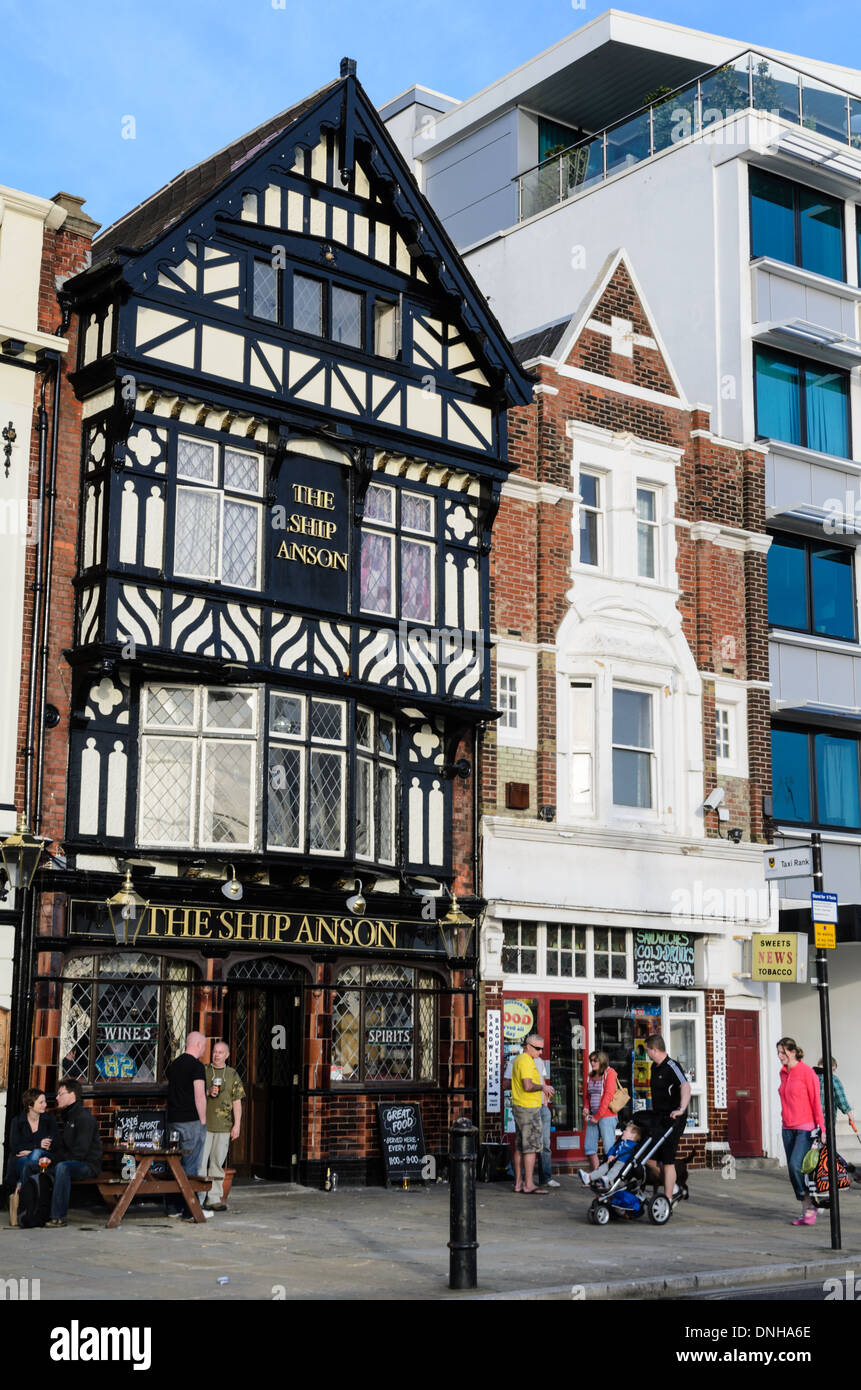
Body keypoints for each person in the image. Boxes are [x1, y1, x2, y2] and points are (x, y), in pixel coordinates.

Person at [41, 1079, 102, 1228]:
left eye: (60, 1094)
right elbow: (64, 1148)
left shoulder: (84, 1118)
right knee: (34, 1161)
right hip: (72, 1161)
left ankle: (59, 1217)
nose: (56, 1098)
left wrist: (56, 1162)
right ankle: (30, 1211)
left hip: (87, 1165)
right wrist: (50, 1159)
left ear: (72, 1095)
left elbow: (80, 1152)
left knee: (62, 1167)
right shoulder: (69, 1116)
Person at [777, 1036, 825, 1226]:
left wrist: (821, 1128)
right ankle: (807, 1208)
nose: (780, 1057)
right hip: (787, 1128)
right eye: (779, 1053)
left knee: (795, 1166)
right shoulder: (783, 1073)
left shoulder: (806, 1072)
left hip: (805, 1128)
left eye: (783, 1052)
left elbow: (816, 1101)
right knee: (794, 1171)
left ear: (793, 1052)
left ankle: (811, 1204)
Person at [165, 1031, 212, 1221]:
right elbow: (199, 1095)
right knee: (191, 1167)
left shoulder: (174, 1065)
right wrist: (203, 1121)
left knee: (175, 1165)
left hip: (173, 1120)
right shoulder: (197, 1067)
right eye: (204, 1047)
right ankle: (190, 1210)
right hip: (191, 1122)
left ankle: (173, 1207)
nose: (204, 1050)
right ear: (199, 1045)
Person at [644, 1034, 690, 1204]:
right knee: (648, 1157)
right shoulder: (654, 1068)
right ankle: (674, 1186)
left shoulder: (672, 1066)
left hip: (674, 1119)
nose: (647, 1053)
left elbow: (685, 1086)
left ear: (654, 1050)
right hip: (659, 1117)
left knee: (668, 1160)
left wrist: (681, 1109)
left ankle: (669, 1198)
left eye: (647, 1050)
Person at [200, 1040, 245, 1211]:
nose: (216, 1055)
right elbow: (194, 1094)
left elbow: (237, 1102)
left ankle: (213, 1198)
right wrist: (207, 1092)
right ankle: (198, 1197)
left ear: (227, 1055)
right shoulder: (204, 1071)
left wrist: (237, 1125)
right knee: (200, 1163)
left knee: (217, 1163)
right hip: (204, 1124)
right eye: (214, 1052)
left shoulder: (232, 1074)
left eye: (220, 1052)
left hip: (224, 1125)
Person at [5, 1089, 58, 1225]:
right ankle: (32, 1203)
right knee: (29, 1158)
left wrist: (32, 1150)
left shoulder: (49, 1120)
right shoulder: (17, 1121)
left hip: (44, 1157)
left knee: (35, 1154)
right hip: (21, 1160)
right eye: (41, 1102)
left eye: (45, 1101)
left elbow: (56, 1142)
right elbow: (15, 1146)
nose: (45, 1104)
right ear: (30, 1105)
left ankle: (22, 1190)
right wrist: (36, 1146)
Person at [511, 1033, 554, 1194]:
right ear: (527, 1046)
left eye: (542, 1049)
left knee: (519, 1146)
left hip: (520, 1106)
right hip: (528, 1108)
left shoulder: (518, 1060)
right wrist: (543, 1087)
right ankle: (528, 1184)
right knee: (529, 1148)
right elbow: (528, 1086)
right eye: (537, 1048)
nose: (540, 1052)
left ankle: (518, 1183)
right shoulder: (527, 1061)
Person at [578, 1119, 644, 1188]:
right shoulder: (621, 1142)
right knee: (603, 1167)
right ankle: (588, 1177)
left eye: (626, 1130)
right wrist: (610, 1155)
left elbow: (630, 1154)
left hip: (622, 1162)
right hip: (613, 1160)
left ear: (632, 1135)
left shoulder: (633, 1145)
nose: (623, 1131)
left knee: (615, 1169)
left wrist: (616, 1156)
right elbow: (612, 1149)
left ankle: (608, 1180)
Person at [583, 1051, 619, 1174]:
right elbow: (588, 1095)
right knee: (589, 1148)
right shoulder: (591, 1075)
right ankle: (596, 1176)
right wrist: (586, 1107)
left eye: (595, 1060)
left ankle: (610, 1178)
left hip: (607, 1116)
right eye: (591, 1060)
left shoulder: (610, 1073)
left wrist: (597, 1116)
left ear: (602, 1061)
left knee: (609, 1149)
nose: (592, 1063)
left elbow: (607, 1096)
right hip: (593, 1115)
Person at [815, 1056, 854, 1129]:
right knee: (826, 1139)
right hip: (826, 1119)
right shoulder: (832, 1079)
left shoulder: (810, 1077)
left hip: (809, 1120)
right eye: (833, 1070)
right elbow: (840, 1098)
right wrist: (850, 1115)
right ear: (831, 1067)